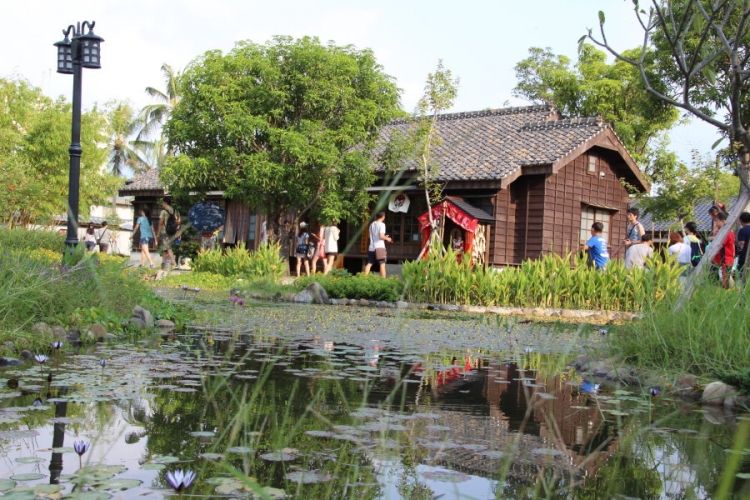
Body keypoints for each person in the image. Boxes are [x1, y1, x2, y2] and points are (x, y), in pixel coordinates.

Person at [363, 211, 393, 277]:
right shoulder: (382, 225)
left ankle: (364, 278)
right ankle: (383, 281)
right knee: (382, 264)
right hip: (380, 247)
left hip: (371, 247)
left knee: (369, 263)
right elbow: (381, 236)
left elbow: (369, 236)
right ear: (383, 217)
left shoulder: (371, 224)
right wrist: (388, 239)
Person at [711, 211, 735, 289]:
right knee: (726, 278)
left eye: (717, 221)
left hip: (725, 260)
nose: (716, 224)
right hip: (726, 259)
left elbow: (719, 245)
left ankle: (730, 292)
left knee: (725, 280)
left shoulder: (726, 233)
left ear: (723, 221)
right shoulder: (729, 231)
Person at [157, 199, 180, 270]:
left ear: (165, 203)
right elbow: (179, 222)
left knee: (168, 248)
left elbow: (160, 223)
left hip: (165, 232)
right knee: (165, 249)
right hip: (173, 232)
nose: (162, 204)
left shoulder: (163, 211)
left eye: (162, 203)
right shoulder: (176, 211)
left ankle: (175, 264)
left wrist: (158, 233)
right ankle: (163, 264)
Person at [736, 212, 750, 279]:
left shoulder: (742, 230)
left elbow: (742, 243)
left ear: (741, 220)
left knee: (743, 276)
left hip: (744, 257)